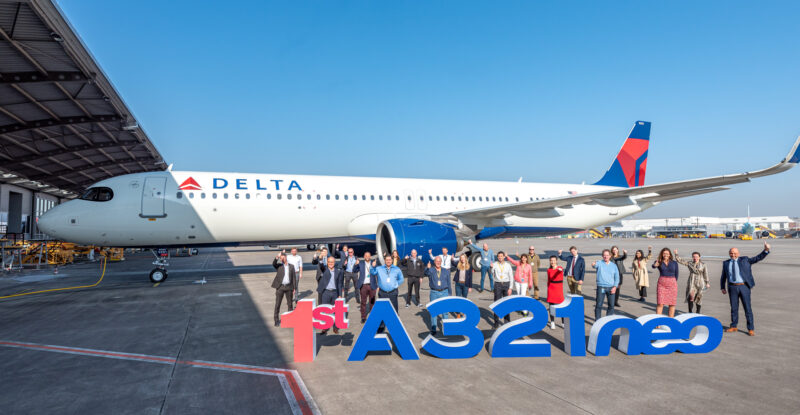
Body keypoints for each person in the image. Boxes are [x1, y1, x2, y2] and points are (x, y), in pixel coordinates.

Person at [720, 241, 770, 336]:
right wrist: (722, 287)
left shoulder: (745, 260)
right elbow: (723, 276)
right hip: (732, 287)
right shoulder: (726, 263)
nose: (733, 255)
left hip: (744, 287)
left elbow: (757, 258)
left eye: (735, 253)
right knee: (734, 308)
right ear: (729, 254)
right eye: (731, 253)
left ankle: (750, 328)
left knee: (747, 308)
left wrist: (766, 250)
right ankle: (734, 326)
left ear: (738, 254)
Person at [370, 253, 404, 332]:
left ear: (392, 260)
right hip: (383, 293)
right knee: (382, 310)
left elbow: (401, 279)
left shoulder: (397, 269)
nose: (388, 261)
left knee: (394, 310)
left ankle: (395, 326)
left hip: (393, 292)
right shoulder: (379, 268)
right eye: (387, 260)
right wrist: (373, 266)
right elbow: (373, 272)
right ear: (384, 261)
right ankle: (381, 326)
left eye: (390, 260)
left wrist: (396, 284)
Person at [675, 249, 710, 314]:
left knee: (699, 298)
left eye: (696, 256)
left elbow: (706, 274)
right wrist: (676, 254)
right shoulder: (690, 263)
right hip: (692, 282)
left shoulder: (703, 264)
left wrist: (707, 282)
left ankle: (698, 312)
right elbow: (680, 261)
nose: (695, 258)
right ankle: (690, 311)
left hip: (700, 282)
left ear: (699, 257)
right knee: (691, 296)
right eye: (694, 256)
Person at [425, 256, 452, 335]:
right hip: (434, 292)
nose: (438, 262)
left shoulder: (446, 271)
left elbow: (449, 283)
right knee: (434, 311)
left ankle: (446, 328)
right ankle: (433, 329)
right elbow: (425, 273)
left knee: (445, 311)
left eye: (439, 261)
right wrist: (427, 268)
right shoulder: (431, 270)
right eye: (437, 261)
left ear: (441, 262)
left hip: (444, 292)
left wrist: (449, 294)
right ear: (434, 262)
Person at [316, 256, 343, 335]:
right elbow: (321, 265)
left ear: (334, 263)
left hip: (335, 293)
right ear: (327, 263)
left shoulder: (338, 271)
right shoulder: (325, 270)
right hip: (326, 293)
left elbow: (340, 283)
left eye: (332, 262)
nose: (331, 263)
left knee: (335, 311)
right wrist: (320, 259)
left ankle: (335, 327)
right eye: (329, 262)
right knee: (325, 310)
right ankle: (324, 328)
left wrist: (340, 295)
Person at [591, 249, 619, 321]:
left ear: (610, 256)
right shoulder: (599, 263)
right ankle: (597, 321)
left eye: (607, 255)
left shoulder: (614, 265)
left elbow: (617, 277)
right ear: (602, 256)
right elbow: (594, 265)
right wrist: (593, 264)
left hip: (611, 288)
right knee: (599, 305)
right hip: (601, 287)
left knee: (611, 306)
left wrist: (615, 287)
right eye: (604, 255)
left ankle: (607, 321)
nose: (605, 257)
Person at [271, 252, 297, 327]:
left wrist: (294, 288)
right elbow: (274, 264)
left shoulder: (291, 266)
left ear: (286, 257)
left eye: (282, 257)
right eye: (280, 258)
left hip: (289, 287)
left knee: (290, 304)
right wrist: (277, 257)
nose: (281, 259)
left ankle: (290, 320)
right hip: (280, 287)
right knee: (277, 304)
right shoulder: (279, 266)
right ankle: (276, 320)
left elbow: (294, 278)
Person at [652, 247, 679, 318]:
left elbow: (676, 274)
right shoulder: (659, 261)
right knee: (660, 303)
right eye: (664, 253)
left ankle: (671, 322)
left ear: (670, 254)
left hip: (672, 285)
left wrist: (672, 282)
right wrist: (655, 265)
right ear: (662, 254)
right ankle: (657, 323)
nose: (665, 254)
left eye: (667, 253)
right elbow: (653, 266)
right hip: (661, 285)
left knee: (672, 304)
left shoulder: (674, 263)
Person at [491, 251, 514, 329]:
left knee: (506, 304)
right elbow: (492, 273)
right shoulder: (494, 264)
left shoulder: (508, 265)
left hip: (506, 284)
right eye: (498, 256)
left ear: (504, 256)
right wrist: (491, 268)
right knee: (497, 303)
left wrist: (510, 288)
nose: (500, 257)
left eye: (501, 256)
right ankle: (496, 322)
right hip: (498, 284)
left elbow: (511, 277)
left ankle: (507, 322)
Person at [354, 252, 376, 323]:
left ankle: (372, 316)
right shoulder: (361, 263)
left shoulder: (374, 263)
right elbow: (354, 270)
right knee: (363, 302)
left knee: (372, 302)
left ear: (370, 256)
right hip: (363, 286)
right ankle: (363, 317)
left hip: (372, 285)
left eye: (368, 255)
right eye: (366, 255)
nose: (367, 257)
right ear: (364, 256)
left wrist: (374, 266)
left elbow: (377, 273)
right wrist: (355, 264)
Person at [546, 255, 565, 329]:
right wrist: (548, 290)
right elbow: (548, 280)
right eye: (551, 260)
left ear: (556, 261)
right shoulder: (548, 270)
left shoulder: (559, 268)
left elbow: (560, 269)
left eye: (554, 260)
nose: (552, 262)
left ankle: (563, 322)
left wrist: (558, 269)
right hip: (551, 289)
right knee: (551, 307)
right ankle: (552, 322)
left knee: (561, 306)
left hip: (558, 290)